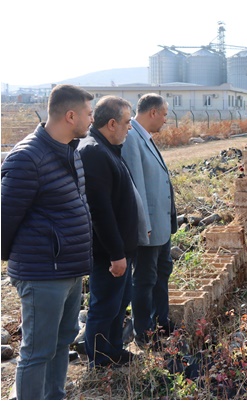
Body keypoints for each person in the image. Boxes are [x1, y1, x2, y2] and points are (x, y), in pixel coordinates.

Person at [1, 84, 94, 399]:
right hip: (42, 273)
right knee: (37, 351)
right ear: (70, 116)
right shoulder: (27, 158)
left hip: (69, 269)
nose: (91, 120)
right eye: (88, 114)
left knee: (61, 341)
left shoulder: (71, 150)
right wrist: (21, 263)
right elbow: (5, 219)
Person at [78, 96, 143, 368]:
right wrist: (116, 254)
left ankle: (114, 350)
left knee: (118, 303)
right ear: (112, 123)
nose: (130, 128)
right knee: (105, 306)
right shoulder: (94, 152)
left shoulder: (107, 148)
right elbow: (100, 211)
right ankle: (101, 361)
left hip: (121, 250)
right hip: (108, 254)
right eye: (127, 122)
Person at [121, 93, 178, 347]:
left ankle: (161, 321)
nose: (166, 120)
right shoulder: (132, 138)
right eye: (164, 114)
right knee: (145, 279)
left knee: (162, 272)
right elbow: (137, 187)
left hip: (161, 226)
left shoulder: (145, 138)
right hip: (150, 227)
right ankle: (144, 332)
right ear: (152, 112)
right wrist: (144, 226)